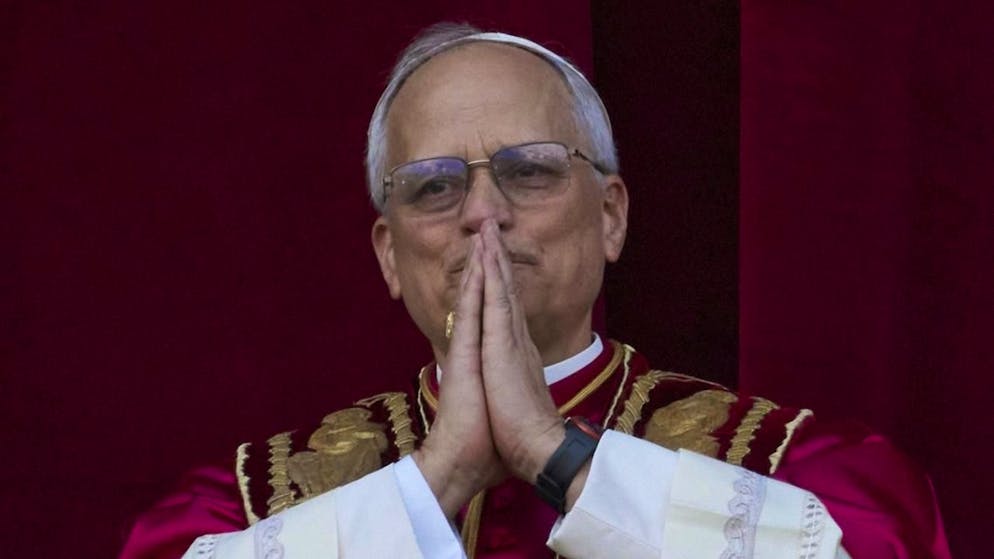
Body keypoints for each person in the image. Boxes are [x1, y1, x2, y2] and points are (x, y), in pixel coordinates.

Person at [120, 23, 951, 559]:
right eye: (435, 187)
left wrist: (559, 456)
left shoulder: (796, 469)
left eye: (530, 171)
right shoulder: (240, 507)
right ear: (388, 253)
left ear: (612, 217)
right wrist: (438, 477)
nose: (485, 213)